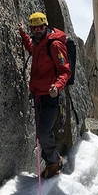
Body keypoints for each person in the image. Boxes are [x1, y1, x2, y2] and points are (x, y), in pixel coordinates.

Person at [19, 12, 72, 178]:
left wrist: (57, 86)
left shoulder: (55, 45)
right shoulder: (37, 43)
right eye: (34, 28)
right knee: (41, 132)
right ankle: (51, 162)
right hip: (39, 96)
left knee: (43, 132)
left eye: (41, 27)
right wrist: (22, 34)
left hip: (52, 97)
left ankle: (55, 161)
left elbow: (65, 71)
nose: (38, 30)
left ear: (46, 26)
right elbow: (32, 50)